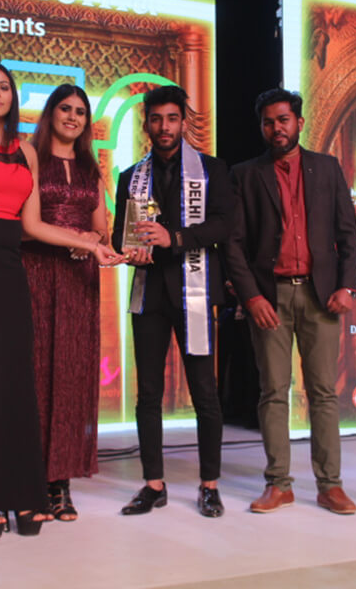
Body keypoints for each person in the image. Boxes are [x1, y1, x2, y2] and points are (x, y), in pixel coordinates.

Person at [0, 63, 121, 538]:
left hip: (10, 265)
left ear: (13, 98)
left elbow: (33, 225)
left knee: (17, 383)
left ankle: (24, 495)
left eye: (4, 87)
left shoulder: (26, 153)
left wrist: (91, 245)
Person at [223, 88, 356, 515]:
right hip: (271, 297)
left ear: (299, 123)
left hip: (322, 296)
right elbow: (233, 244)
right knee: (272, 392)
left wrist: (348, 286)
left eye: (283, 120)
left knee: (323, 393)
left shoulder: (327, 168)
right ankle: (278, 484)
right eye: (268, 122)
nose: (276, 128)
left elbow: (348, 233)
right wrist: (251, 296)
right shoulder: (246, 174)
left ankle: (330, 485)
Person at [111, 85, 235, 518]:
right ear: (146, 123)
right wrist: (129, 248)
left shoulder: (212, 170)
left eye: (172, 118)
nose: (164, 127)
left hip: (194, 292)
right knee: (148, 393)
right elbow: (119, 235)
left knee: (205, 393)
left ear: (183, 122)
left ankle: (209, 485)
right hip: (149, 294)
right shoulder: (131, 177)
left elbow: (224, 225)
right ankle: (153, 484)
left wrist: (174, 238)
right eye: (156, 119)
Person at [21, 84, 108, 522]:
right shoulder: (31, 156)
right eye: (65, 109)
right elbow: (26, 223)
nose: (73, 117)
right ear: (51, 113)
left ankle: (61, 482)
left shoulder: (91, 166)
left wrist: (92, 239)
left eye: (80, 111)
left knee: (73, 376)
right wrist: (79, 240)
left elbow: (102, 227)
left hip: (79, 278)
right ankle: (32, 478)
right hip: (36, 270)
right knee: (36, 373)